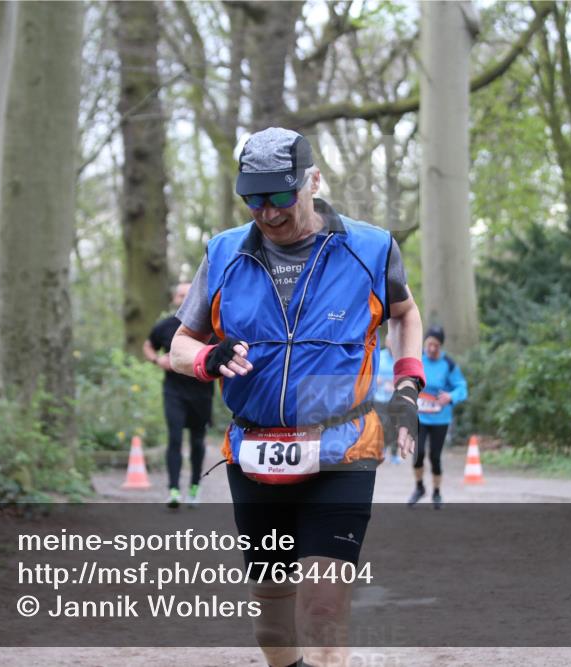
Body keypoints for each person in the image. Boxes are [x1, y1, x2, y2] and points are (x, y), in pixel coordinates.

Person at [170, 127, 424, 667]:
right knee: (272, 622)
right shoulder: (222, 254)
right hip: (255, 454)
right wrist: (205, 359)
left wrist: (406, 384)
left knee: (324, 612)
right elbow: (180, 343)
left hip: (342, 451)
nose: (268, 212)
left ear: (312, 181)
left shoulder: (370, 248)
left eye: (281, 196)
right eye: (253, 198)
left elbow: (404, 313)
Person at [142, 282, 214, 509]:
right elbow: (147, 345)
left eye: (189, 294)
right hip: (173, 392)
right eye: (181, 295)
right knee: (174, 439)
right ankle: (173, 490)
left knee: (197, 441)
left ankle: (194, 487)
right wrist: (157, 360)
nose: (185, 298)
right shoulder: (165, 326)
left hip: (202, 393)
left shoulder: (210, 325)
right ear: (174, 299)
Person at [408, 325, 467, 510]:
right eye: (429, 344)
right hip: (420, 417)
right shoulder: (418, 360)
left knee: (435, 456)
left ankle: (437, 492)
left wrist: (451, 397)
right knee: (418, 455)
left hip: (441, 419)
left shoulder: (448, 364)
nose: (432, 348)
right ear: (425, 343)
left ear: (441, 346)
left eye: (436, 345)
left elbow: (462, 387)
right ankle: (419, 488)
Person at [373, 334, 402, 464]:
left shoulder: (400, 359)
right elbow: (370, 373)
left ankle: (395, 454)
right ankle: (382, 449)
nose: (391, 344)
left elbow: (404, 378)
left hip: (394, 399)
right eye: (389, 342)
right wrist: (375, 379)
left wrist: (395, 385)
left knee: (395, 426)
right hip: (379, 398)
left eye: (393, 342)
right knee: (383, 425)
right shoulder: (379, 355)